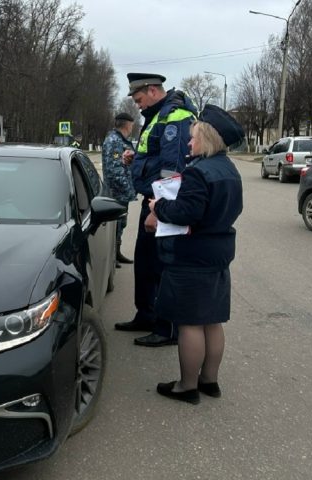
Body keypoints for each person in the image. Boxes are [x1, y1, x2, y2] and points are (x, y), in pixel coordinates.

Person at [144, 104, 244, 404]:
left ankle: (187, 387)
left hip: (192, 255)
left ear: (207, 138)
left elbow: (186, 213)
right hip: (218, 252)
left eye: (193, 137)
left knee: (189, 323)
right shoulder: (229, 170)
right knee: (212, 320)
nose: (189, 142)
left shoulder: (199, 172)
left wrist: (156, 207)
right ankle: (209, 381)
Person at [114, 73, 197, 347]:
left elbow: (172, 169)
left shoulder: (174, 116)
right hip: (151, 200)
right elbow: (155, 155)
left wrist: (158, 211)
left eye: (138, 99)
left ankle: (167, 328)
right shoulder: (157, 116)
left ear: (152, 90)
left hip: (162, 204)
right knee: (146, 261)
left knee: (162, 266)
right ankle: (147, 315)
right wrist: (134, 158)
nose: (137, 105)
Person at [102, 112, 137, 267]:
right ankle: (112, 257)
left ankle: (117, 253)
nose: (132, 127)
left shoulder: (121, 141)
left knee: (120, 224)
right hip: (116, 193)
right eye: (132, 124)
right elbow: (114, 171)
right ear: (127, 124)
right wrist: (127, 188)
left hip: (121, 193)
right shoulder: (114, 141)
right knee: (115, 225)